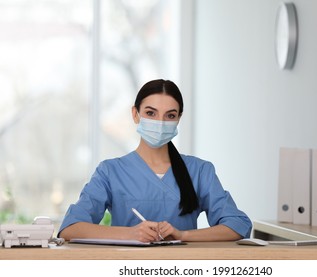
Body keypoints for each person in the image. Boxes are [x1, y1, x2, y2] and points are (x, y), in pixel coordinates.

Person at [58, 79, 252, 242]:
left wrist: (183, 235)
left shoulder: (199, 171)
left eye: (170, 115)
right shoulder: (110, 171)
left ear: (179, 119)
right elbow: (71, 228)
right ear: (135, 114)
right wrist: (131, 234)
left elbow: (238, 225)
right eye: (151, 113)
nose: (160, 122)